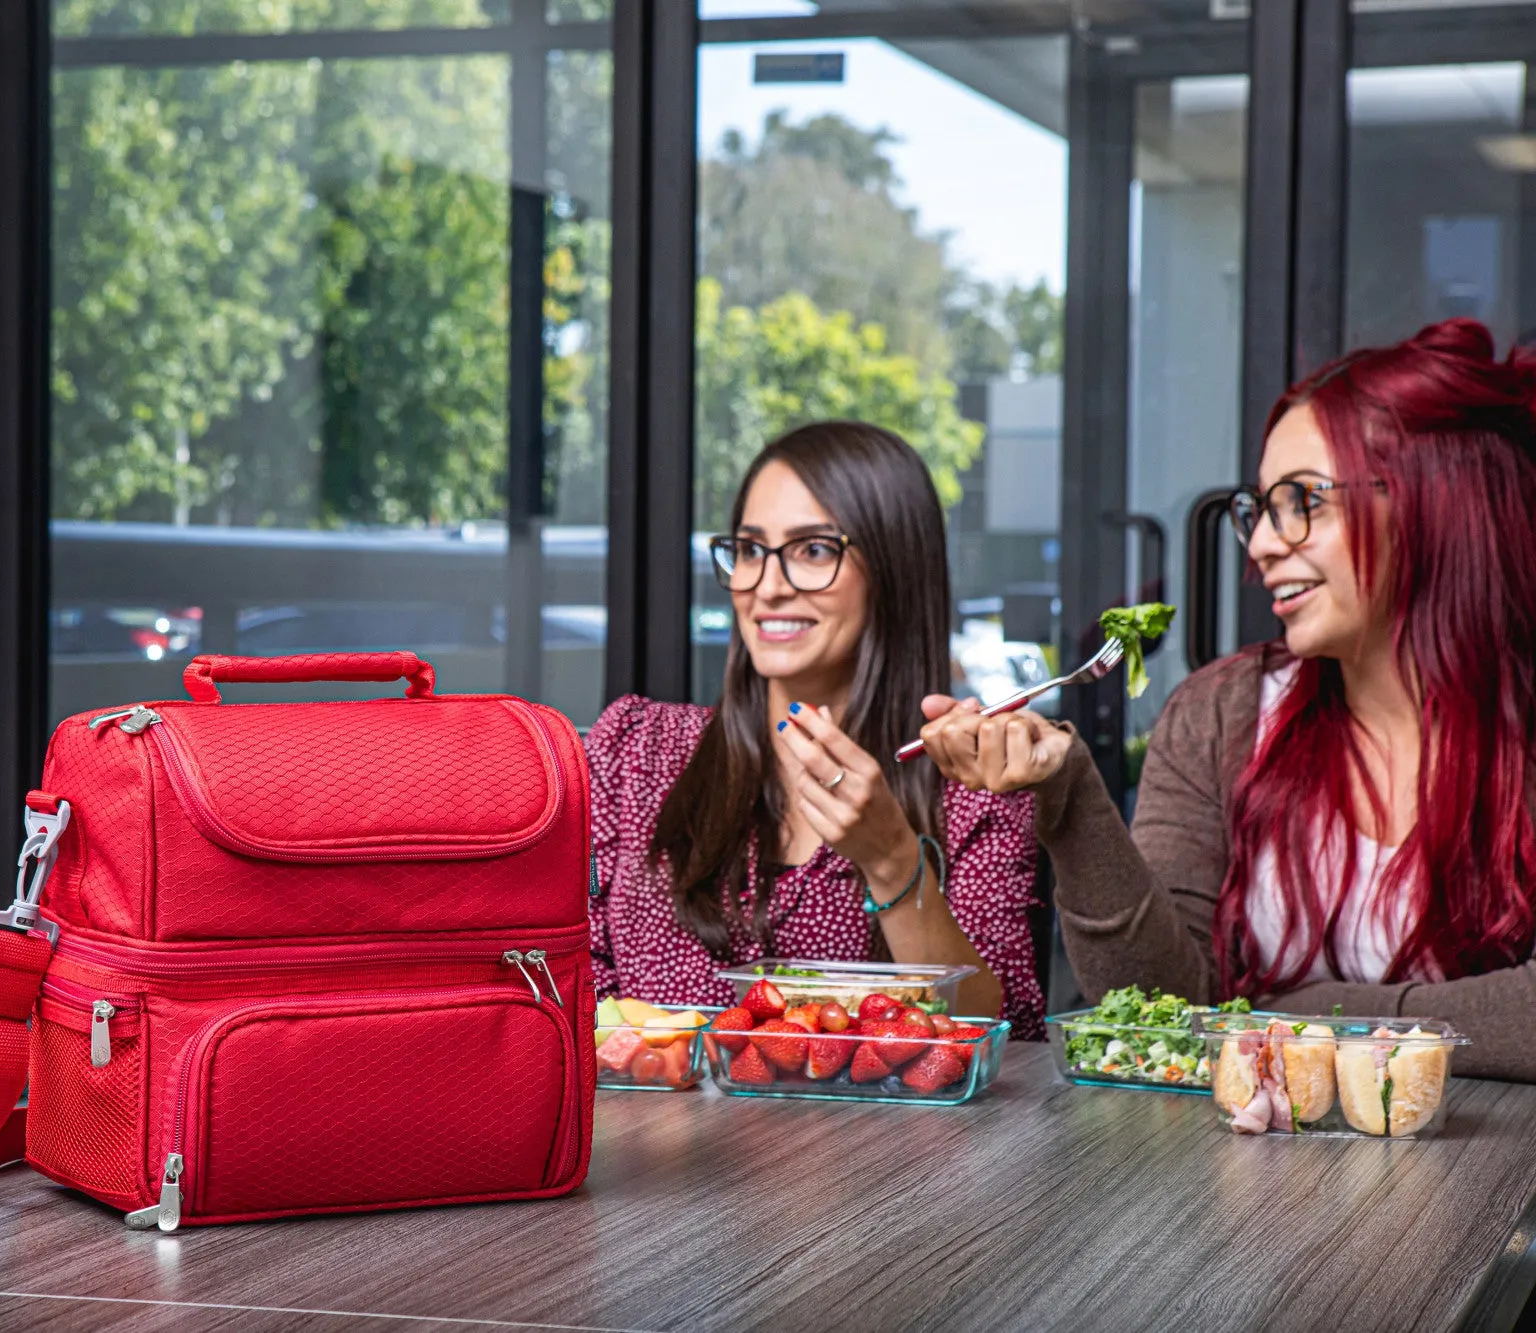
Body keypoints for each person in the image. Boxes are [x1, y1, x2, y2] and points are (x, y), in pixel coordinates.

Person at [916, 318, 1536, 1078]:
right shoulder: (1221, 713)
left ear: (1433, 502)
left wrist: (1306, 1017)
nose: (1262, 545)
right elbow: (1168, 1013)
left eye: (1303, 500)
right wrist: (1068, 792)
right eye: (1261, 509)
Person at [588, 421, 1044, 1036]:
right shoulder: (638, 752)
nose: (768, 587)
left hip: (881, 1138)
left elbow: (1002, 1037)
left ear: (894, 571)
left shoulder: (972, 784)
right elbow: (569, 1000)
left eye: (813, 550)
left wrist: (891, 861)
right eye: (750, 549)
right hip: (656, 1132)